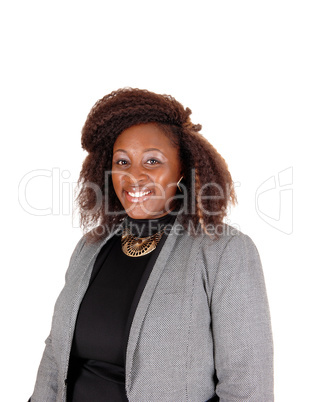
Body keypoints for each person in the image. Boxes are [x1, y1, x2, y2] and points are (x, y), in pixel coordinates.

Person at [30, 88, 274, 401]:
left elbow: (248, 386)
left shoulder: (224, 251)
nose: (134, 176)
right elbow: (56, 353)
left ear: (182, 169)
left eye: (153, 161)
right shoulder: (90, 248)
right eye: (122, 161)